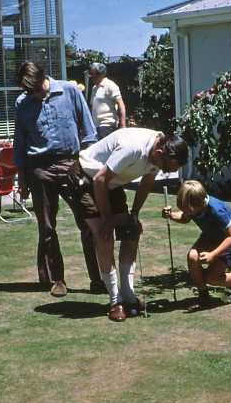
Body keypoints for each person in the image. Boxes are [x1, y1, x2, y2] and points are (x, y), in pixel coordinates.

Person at [76, 127, 189, 321]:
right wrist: (108, 220)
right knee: (104, 236)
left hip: (110, 182)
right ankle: (115, 301)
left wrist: (134, 214)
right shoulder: (132, 148)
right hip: (86, 177)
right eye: (165, 168)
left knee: (131, 229)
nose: (164, 171)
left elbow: (147, 182)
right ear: (159, 153)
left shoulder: (160, 151)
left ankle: (128, 295)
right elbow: (99, 179)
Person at [14, 61, 104, 297]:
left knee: (89, 221)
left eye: (34, 89)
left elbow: (89, 132)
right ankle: (57, 280)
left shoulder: (70, 91)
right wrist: (22, 177)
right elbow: (20, 142)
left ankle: (98, 277)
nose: (32, 95)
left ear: (43, 78)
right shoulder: (22, 103)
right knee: (47, 227)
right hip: (39, 168)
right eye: (28, 91)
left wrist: (86, 164)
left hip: (71, 164)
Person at [162, 180, 231, 307]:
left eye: (187, 210)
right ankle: (203, 294)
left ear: (198, 205)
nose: (186, 213)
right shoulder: (195, 206)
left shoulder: (216, 210)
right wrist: (171, 215)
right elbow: (185, 217)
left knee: (212, 278)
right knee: (192, 256)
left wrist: (213, 254)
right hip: (211, 235)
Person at [88, 62, 126, 139]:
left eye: (92, 74)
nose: (90, 76)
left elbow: (121, 104)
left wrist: (123, 125)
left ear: (100, 74)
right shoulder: (94, 88)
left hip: (107, 126)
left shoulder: (110, 85)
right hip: (96, 126)